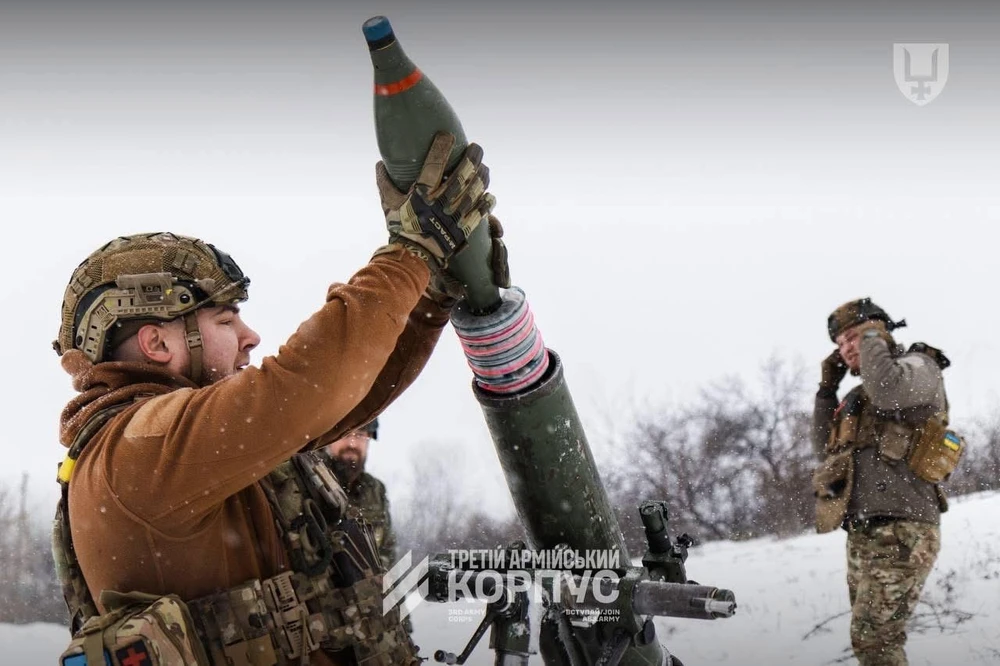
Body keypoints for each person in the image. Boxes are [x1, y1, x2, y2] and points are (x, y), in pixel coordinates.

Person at [51, 133, 506, 666]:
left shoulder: (190, 445)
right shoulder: (140, 449)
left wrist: (432, 290)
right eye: (226, 320)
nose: (250, 336)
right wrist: (411, 255)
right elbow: (302, 387)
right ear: (157, 342)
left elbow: (343, 396)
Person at [812, 298, 955, 666]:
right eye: (840, 344)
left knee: (876, 642)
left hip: (903, 528)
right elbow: (824, 451)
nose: (847, 349)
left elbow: (889, 390)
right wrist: (827, 392)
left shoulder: (918, 368)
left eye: (853, 337)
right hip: (864, 531)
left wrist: (873, 335)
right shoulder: (857, 398)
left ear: (879, 332)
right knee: (871, 642)